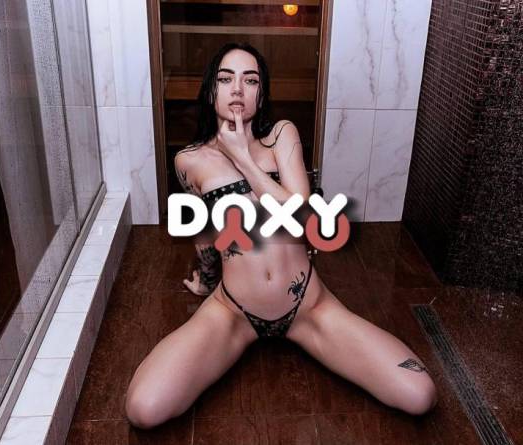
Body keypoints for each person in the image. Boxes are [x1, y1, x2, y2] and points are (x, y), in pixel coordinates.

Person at [125, 43, 437, 429]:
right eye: (226, 78)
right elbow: (205, 231)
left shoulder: (281, 136)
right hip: (233, 312)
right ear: (211, 91)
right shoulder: (189, 160)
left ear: (261, 94)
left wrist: (242, 157)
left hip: (308, 307)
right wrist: (206, 280)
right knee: (144, 408)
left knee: (419, 393)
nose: (237, 88)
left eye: (250, 80)